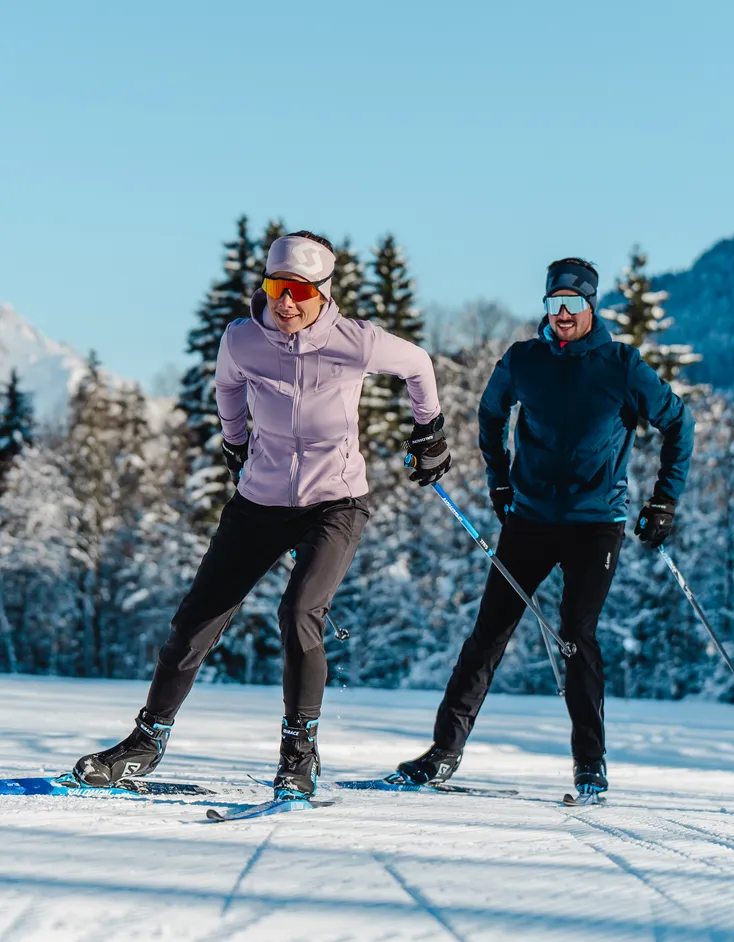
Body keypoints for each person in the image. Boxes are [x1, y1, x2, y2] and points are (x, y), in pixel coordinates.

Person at [74, 230, 451, 800]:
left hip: (336, 502)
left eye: (301, 290)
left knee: (300, 610)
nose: (287, 301)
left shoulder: (357, 342)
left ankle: (299, 753)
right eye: (278, 287)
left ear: (324, 293)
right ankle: (145, 742)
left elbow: (419, 365)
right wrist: (234, 441)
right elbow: (227, 387)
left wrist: (429, 431)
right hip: (260, 500)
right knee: (196, 618)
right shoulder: (243, 340)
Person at [396, 257, 694, 795]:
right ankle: (443, 753)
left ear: (591, 306)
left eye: (573, 304)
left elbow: (679, 423)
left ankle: (590, 763)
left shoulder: (621, 364)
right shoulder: (523, 360)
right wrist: (500, 480)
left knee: (576, 635)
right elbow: (490, 415)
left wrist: (664, 501)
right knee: (487, 635)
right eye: (554, 303)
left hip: (596, 523)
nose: (562, 313)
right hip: (529, 519)